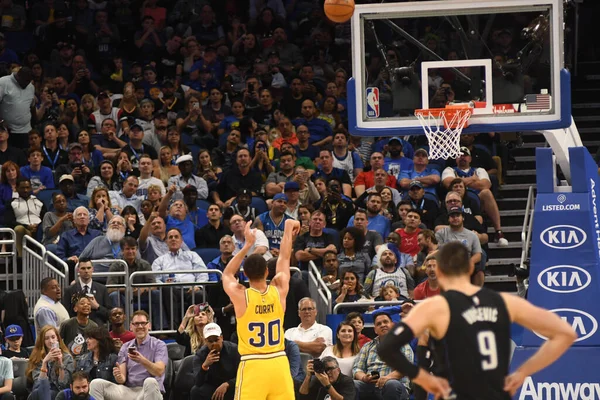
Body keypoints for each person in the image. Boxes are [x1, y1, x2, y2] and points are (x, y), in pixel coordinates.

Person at [378, 241, 577, 399]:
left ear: (439, 272)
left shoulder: (434, 307)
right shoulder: (505, 301)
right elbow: (565, 334)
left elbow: (386, 347)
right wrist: (522, 372)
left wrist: (423, 378)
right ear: (471, 268)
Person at [222, 219, 301, 399]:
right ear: (267, 271)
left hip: (253, 364)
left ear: (245, 274)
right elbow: (284, 258)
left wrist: (247, 244)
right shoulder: (279, 289)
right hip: (279, 362)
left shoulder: (242, 296)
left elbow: (227, 274)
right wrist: (288, 228)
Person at [89, 310, 168, 400]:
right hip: (129, 391)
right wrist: (118, 376)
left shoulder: (159, 345)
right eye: (136, 324)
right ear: (131, 327)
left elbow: (159, 371)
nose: (140, 326)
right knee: (96, 384)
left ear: (149, 326)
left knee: (150, 381)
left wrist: (142, 360)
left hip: (149, 390)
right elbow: (122, 379)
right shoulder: (125, 347)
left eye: (143, 323)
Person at [353, 312, 412, 400]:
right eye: (379, 324)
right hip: (370, 387)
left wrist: (387, 378)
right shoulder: (367, 346)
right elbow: (357, 369)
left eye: (385, 322)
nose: (383, 325)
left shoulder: (403, 345)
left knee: (391, 384)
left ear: (392, 325)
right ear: (375, 330)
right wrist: (364, 377)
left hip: (395, 385)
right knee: (352, 384)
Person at [435, 206, 485, 286]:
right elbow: (437, 251)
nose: (455, 218)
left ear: (463, 218)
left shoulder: (472, 235)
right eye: (452, 216)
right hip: (447, 263)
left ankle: (475, 295)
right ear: (448, 219)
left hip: (466, 263)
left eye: (457, 216)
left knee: (479, 271)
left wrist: (469, 262)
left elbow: (478, 255)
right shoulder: (440, 234)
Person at [190, 323, 239, 400]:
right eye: (210, 341)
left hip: (231, 386)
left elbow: (243, 374)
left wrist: (228, 384)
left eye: (216, 340)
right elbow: (198, 382)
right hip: (212, 387)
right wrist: (205, 366)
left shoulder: (234, 349)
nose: (214, 343)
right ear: (205, 341)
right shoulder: (200, 355)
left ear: (222, 338)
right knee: (196, 391)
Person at [26, 325, 75, 400]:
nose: (51, 341)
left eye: (53, 337)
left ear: (58, 338)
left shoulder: (67, 357)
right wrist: (44, 362)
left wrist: (60, 362)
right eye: (46, 338)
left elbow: (64, 384)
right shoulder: (37, 357)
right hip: (40, 390)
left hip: (58, 390)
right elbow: (38, 384)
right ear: (42, 341)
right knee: (37, 392)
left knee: (49, 393)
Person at [62, 258, 111, 326]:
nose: (86, 271)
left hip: (97, 330)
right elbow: (66, 313)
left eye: (88, 268)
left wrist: (97, 306)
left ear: (92, 269)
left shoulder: (102, 289)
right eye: (83, 268)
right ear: (78, 270)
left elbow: (109, 314)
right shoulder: (69, 290)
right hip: (76, 329)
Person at [5, 178, 46, 257]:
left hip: (39, 230)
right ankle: (21, 258)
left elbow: (45, 218)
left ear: (31, 188)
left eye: (27, 187)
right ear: (16, 189)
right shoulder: (11, 203)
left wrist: (38, 226)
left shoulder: (39, 201)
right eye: (22, 188)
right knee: (18, 229)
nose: (25, 190)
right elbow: (9, 221)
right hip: (23, 231)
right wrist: (27, 226)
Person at [60, 295, 99, 360]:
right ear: (75, 308)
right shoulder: (67, 324)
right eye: (82, 303)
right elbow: (59, 341)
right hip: (69, 360)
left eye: (89, 304)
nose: (86, 305)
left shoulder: (94, 326)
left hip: (87, 361)